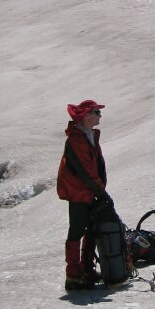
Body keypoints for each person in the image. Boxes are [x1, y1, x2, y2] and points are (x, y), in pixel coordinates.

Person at [57, 99, 111, 291]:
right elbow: (86, 170)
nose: (99, 116)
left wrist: (99, 189)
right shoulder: (77, 139)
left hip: (87, 191)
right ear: (86, 115)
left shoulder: (88, 135)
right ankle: (73, 274)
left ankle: (86, 269)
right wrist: (100, 191)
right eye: (96, 112)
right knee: (78, 230)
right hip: (79, 192)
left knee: (90, 229)